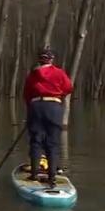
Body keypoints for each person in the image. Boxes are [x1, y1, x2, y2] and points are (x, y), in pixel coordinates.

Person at [23, 47, 73, 188]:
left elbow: (26, 94)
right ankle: (52, 177)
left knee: (36, 141)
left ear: (39, 60)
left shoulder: (33, 75)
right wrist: (58, 94)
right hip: (54, 107)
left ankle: (34, 174)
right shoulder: (59, 73)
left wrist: (31, 110)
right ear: (51, 60)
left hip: (36, 106)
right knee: (53, 142)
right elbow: (69, 87)